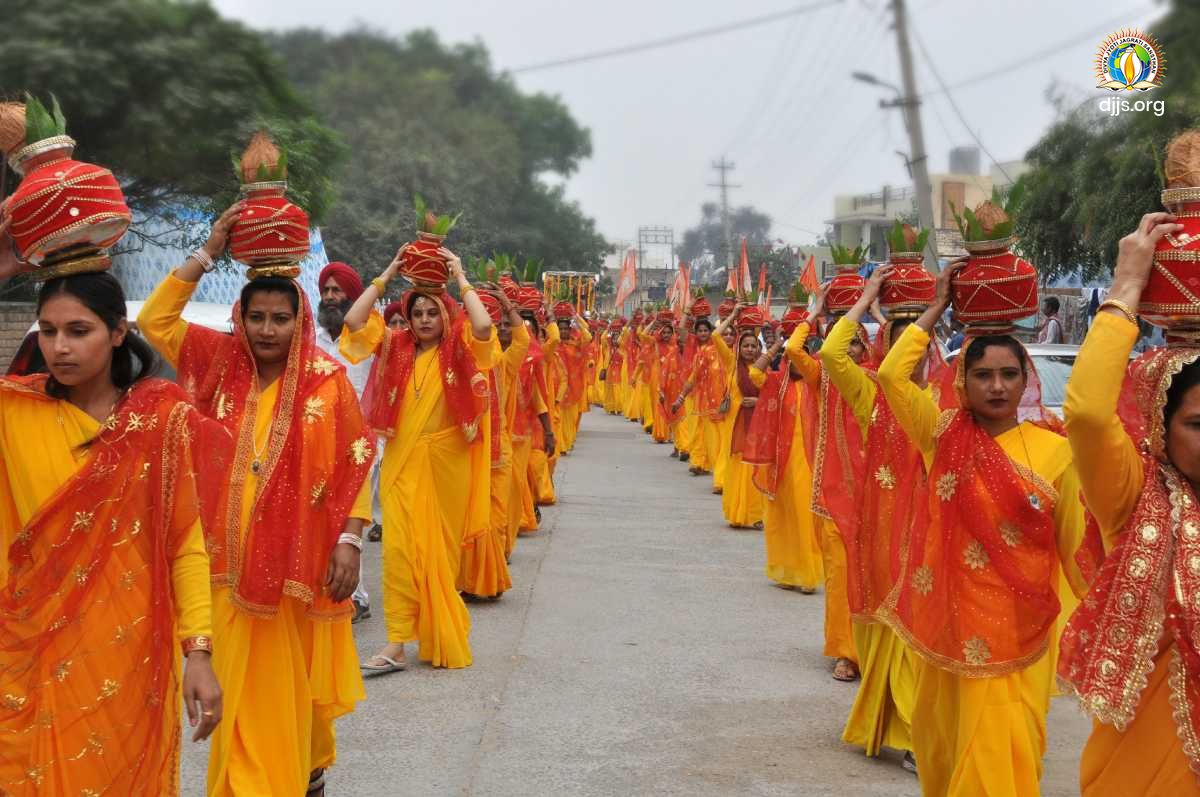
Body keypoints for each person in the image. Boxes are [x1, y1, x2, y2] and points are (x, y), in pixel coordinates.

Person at [138, 205, 372, 797]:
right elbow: (154, 317)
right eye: (257, 318)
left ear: (300, 320)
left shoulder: (327, 379)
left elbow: (354, 459)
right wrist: (209, 250)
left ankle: (299, 773)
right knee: (238, 709)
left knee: (282, 698)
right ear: (239, 319)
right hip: (220, 568)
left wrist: (349, 540)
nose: (268, 330)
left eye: (281, 319)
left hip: (295, 568)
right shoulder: (216, 362)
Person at [0, 251, 222, 795]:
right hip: (27, 645)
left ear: (119, 331)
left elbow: (184, 542)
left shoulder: (160, 420)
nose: (60, 347)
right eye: (48, 331)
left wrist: (199, 652)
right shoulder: (14, 412)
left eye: (79, 330)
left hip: (123, 654)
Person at [876, 261, 1088, 797]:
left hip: (1022, 635)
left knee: (1006, 752)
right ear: (962, 381)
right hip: (950, 629)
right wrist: (934, 309)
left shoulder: (1058, 451)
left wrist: (1104, 623)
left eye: (1009, 375)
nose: (997, 387)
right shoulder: (941, 435)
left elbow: (1076, 553)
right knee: (946, 751)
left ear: (1026, 380)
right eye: (983, 375)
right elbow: (890, 378)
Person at [1059, 211, 1200, 796]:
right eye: (1198, 423)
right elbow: (1090, 412)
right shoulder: (1132, 497)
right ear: (1159, 430)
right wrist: (1125, 291)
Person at [340, 244, 496, 672]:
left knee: (439, 555)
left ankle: (436, 632)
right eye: (417, 313)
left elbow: (482, 325)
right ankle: (396, 643)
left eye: (432, 312)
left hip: (447, 466)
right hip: (401, 464)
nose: (424, 320)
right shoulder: (395, 348)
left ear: (446, 315)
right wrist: (387, 273)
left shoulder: (461, 349)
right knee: (399, 552)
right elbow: (353, 321)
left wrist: (460, 277)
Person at [819, 267, 932, 766]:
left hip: (933, 535)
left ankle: (915, 730)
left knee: (922, 635)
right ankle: (906, 734)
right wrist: (864, 299)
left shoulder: (950, 399)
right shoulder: (871, 395)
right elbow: (829, 354)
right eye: (905, 343)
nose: (918, 356)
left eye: (923, 347)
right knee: (893, 632)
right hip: (884, 536)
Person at [741, 307, 825, 595]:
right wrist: (777, 344)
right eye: (791, 358)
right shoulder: (777, 382)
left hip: (808, 461)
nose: (796, 363)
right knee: (782, 516)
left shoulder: (816, 383)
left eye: (800, 357)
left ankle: (808, 575)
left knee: (803, 517)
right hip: (781, 461)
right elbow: (754, 372)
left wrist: (805, 325)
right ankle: (787, 571)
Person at [314, 261, 376, 622]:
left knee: (353, 519)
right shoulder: (310, 337)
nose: (331, 297)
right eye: (327, 290)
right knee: (325, 519)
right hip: (318, 442)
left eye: (339, 291)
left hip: (361, 443)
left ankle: (358, 595)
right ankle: (331, 586)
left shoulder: (367, 336)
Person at [718, 305, 765, 529]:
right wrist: (733, 316)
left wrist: (758, 403)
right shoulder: (731, 365)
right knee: (738, 469)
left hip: (758, 424)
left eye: (752, 346)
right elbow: (717, 336)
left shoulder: (762, 368)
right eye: (745, 345)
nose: (748, 349)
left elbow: (774, 395)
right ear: (738, 347)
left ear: (758, 348)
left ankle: (755, 515)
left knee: (756, 468)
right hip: (735, 425)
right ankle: (737, 513)